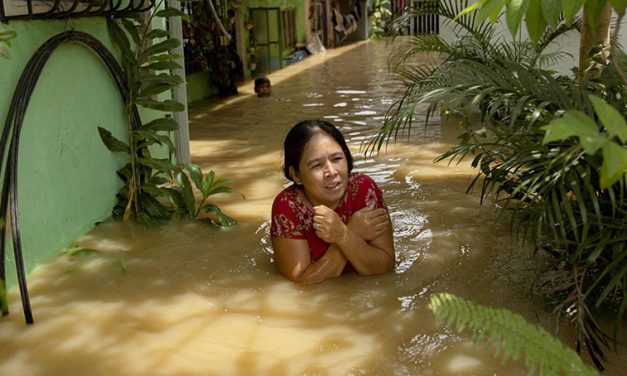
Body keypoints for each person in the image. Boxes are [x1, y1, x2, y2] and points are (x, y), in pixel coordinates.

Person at [271, 120, 395, 284]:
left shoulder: (364, 190)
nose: (331, 172)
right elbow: (303, 283)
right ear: (296, 175)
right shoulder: (287, 206)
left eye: (337, 158)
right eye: (316, 165)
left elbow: (385, 267)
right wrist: (347, 233)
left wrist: (343, 235)